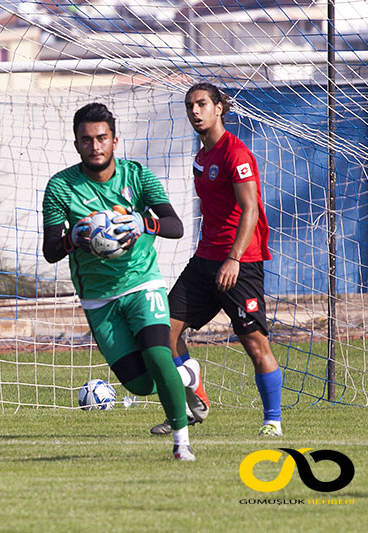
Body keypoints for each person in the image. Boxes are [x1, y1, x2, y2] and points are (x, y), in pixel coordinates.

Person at [42, 102, 204, 461]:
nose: (95, 146)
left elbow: (174, 226)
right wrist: (75, 238)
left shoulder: (138, 176)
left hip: (142, 282)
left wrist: (144, 224)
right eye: (86, 140)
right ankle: (188, 377)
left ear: (115, 140)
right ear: (76, 144)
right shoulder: (60, 187)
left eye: (101, 138)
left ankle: (181, 444)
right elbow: (51, 250)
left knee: (159, 353)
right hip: (99, 299)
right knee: (140, 384)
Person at [151, 82, 282, 437]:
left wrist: (234, 258)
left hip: (239, 263)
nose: (195, 111)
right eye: (190, 105)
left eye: (202, 104)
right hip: (204, 260)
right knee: (165, 331)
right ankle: (195, 402)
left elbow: (250, 208)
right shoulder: (201, 157)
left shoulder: (234, 153)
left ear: (219, 107)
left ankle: (273, 420)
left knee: (255, 344)